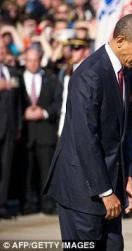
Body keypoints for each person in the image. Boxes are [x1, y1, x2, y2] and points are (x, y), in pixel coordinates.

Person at [43, 14, 132, 250]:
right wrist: (105, 192)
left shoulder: (124, 70)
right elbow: (86, 138)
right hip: (82, 192)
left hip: (109, 186)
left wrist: (127, 177)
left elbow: (118, 132)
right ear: (121, 40)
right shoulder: (90, 73)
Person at [20, 46, 62, 215]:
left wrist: (43, 113)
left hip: (46, 133)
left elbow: (58, 103)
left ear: (40, 60)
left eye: (36, 60)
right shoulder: (17, 78)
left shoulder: (50, 79)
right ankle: (27, 203)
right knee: (26, 171)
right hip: (25, 134)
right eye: (29, 60)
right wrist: (23, 113)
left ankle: (48, 204)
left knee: (46, 171)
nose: (32, 63)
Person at [0, 39, 21, 219]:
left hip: (9, 128)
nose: (1, 51)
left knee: (6, 168)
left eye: (3, 49)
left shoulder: (12, 72)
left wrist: (18, 126)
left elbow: (18, 104)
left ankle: (2, 204)